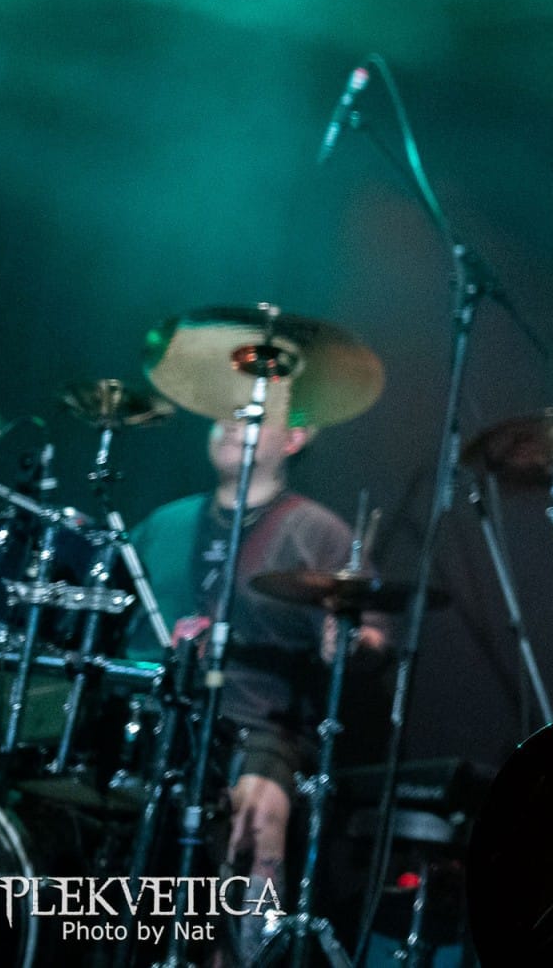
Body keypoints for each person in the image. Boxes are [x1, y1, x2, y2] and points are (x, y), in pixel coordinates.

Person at [124, 385, 387, 945]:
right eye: (223, 412)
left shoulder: (316, 531)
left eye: (251, 416)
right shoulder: (165, 523)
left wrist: (348, 640)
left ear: (295, 438)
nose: (229, 422)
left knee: (258, 812)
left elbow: (375, 636)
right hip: (152, 713)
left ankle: (247, 949)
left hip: (259, 724)